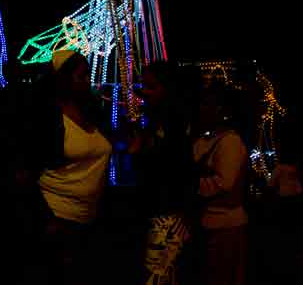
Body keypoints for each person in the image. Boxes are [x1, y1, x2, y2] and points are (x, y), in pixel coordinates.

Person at [27, 49, 118, 285]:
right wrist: (46, 219)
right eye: (81, 76)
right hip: (58, 217)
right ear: (63, 79)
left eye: (88, 75)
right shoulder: (47, 117)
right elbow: (25, 171)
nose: (87, 81)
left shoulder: (93, 111)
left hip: (91, 215)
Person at [132, 62, 195, 285]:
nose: (145, 93)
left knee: (158, 273)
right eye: (144, 86)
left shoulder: (173, 119)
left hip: (168, 210)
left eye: (152, 87)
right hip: (161, 207)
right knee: (162, 272)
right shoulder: (158, 118)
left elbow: (172, 166)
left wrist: (139, 150)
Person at [192, 85, 249, 285]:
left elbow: (224, 183)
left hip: (225, 223)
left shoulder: (230, 142)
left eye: (207, 104)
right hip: (207, 221)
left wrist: (189, 184)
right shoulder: (205, 138)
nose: (201, 109)